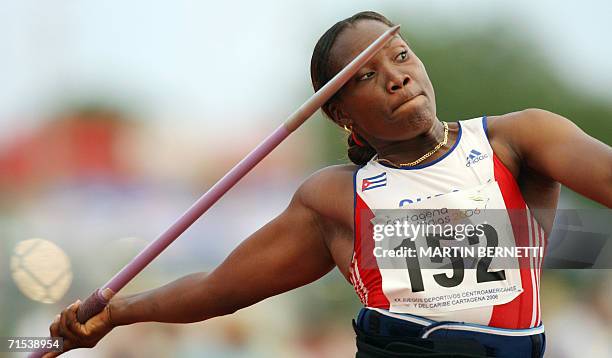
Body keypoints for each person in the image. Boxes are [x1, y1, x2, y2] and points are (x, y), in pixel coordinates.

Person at [44, 11, 611, 358]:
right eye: (366, 76)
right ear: (342, 115)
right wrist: (118, 314)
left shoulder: (519, 139)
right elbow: (219, 289)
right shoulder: (336, 198)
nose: (396, 77)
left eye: (401, 55)